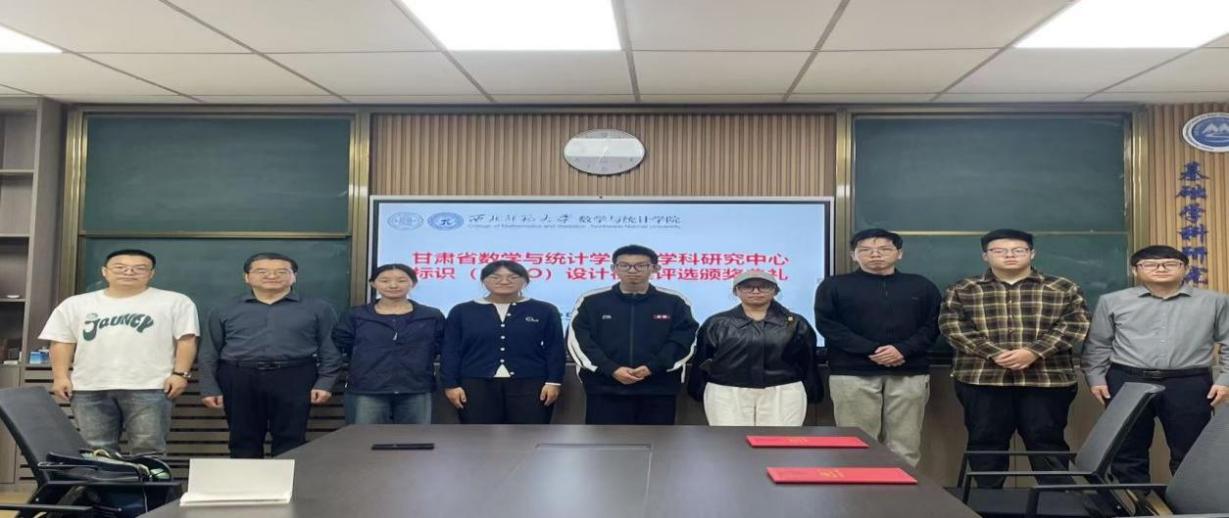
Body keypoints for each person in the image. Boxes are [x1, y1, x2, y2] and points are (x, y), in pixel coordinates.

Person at [939, 229, 1089, 487]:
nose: (1009, 255)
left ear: (1032, 253)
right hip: (982, 379)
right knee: (985, 442)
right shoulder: (963, 289)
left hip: (1046, 380)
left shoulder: (1062, 287)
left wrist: (1034, 352)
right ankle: (988, 500)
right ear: (985, 256)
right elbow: (952, 326)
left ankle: (1056, 500)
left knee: (1047, 441)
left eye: (1018, 250)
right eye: (999, 250)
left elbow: (1076, 324)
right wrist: (993, 353)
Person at [1082, 245, 1229, 483]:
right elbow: (1098, 344)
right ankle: (1133, 500)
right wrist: (1095, 377)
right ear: (1135, 270)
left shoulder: (1215, 301)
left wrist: (1225, 380)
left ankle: (1188, 501)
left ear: (1185, 269)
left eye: (1170, 263)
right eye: (1150, 264)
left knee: (1191, 451)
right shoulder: (1112, 301)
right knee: (1127, 449)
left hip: (1189, 382)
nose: (1160, 268)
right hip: (1127, 380)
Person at [40, 249, 198, 456]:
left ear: (151, 273)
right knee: (97, 450)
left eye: (139, 268)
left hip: (150, 386)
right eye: (120, 267)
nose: (129, 272)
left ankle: (150, 480)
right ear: (104, 271)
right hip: (89, 386)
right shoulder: (75, 304)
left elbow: (186, 340)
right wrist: (60, 377)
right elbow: (62, 341)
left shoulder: (175, 302)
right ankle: (105, 480)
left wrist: (180, 374)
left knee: (149, 449)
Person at [814, 229, 941, 466]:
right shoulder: (834, 286)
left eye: (884, 249)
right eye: (866, 250)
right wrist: (872, 350)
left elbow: (934, 324)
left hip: (909, 371)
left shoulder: (921, 286)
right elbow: (828, 325)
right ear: (853, 255)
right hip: (852, 373)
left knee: (905, 444)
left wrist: (903, 349)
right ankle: (858, 488)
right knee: (856, 444)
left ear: (899, 253)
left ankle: (901, 488)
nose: (875, 254)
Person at [198, 252, 342, 458]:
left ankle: (289, 480)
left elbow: (330, 349)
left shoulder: (318, 308)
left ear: (294, 276)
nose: (272, 276)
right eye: (262, 271)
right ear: (246, 277)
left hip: (295, 375)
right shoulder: (224, 309)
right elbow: (209, 351)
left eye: (281, 272)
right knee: (242, 438)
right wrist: (209, 387)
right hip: (238, 376)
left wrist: (325, 383)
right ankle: (246, 480)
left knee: (291, 438)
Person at [567, 244, 699, 425]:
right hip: (605, 388)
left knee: (658, 440)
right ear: (614, 268)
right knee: (604, 441)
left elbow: (685, 339)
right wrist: (611, 369)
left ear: (655, 268)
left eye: (641, 265)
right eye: (624, 265)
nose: (632, 270)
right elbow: (579, 340)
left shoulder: (675, 302)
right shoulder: (591, 301)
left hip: (659, 388)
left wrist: (652, 367)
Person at [687, 270, 819, 426]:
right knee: (730, 439)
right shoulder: (717, 323)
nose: (756, 291)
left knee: (779, 439)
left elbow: (808, 360)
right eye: (747, 287)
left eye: (764, 286)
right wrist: (697, 389)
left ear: (775, 291)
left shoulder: (796, 323)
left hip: (783, 391)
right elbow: (702, 359)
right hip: (727, 392)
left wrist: (812, 390)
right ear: (736, 291)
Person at [441, 260, 565, 424]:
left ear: (525, 281)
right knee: (478, 434)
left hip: (531, 382)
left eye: (513, 277)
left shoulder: (545, 310)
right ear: (483, 280)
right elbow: (450, 350)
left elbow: (555, 348)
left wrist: (554, 382)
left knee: (530, 434)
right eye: (496, 277)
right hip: (475, 383)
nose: (504, 281)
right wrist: (451, 384)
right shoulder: (462, 311)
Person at [333, 264, 445, 425]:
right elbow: (344, 343)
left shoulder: (430, 315)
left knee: (415, 438)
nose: (393, 285)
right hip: (368, 388)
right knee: (364, 437)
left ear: (413, 283)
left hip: (415, 387)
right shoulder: (356, 315)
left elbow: (439, 345)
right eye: (385, 280)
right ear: (373, 283)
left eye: (401, 280)